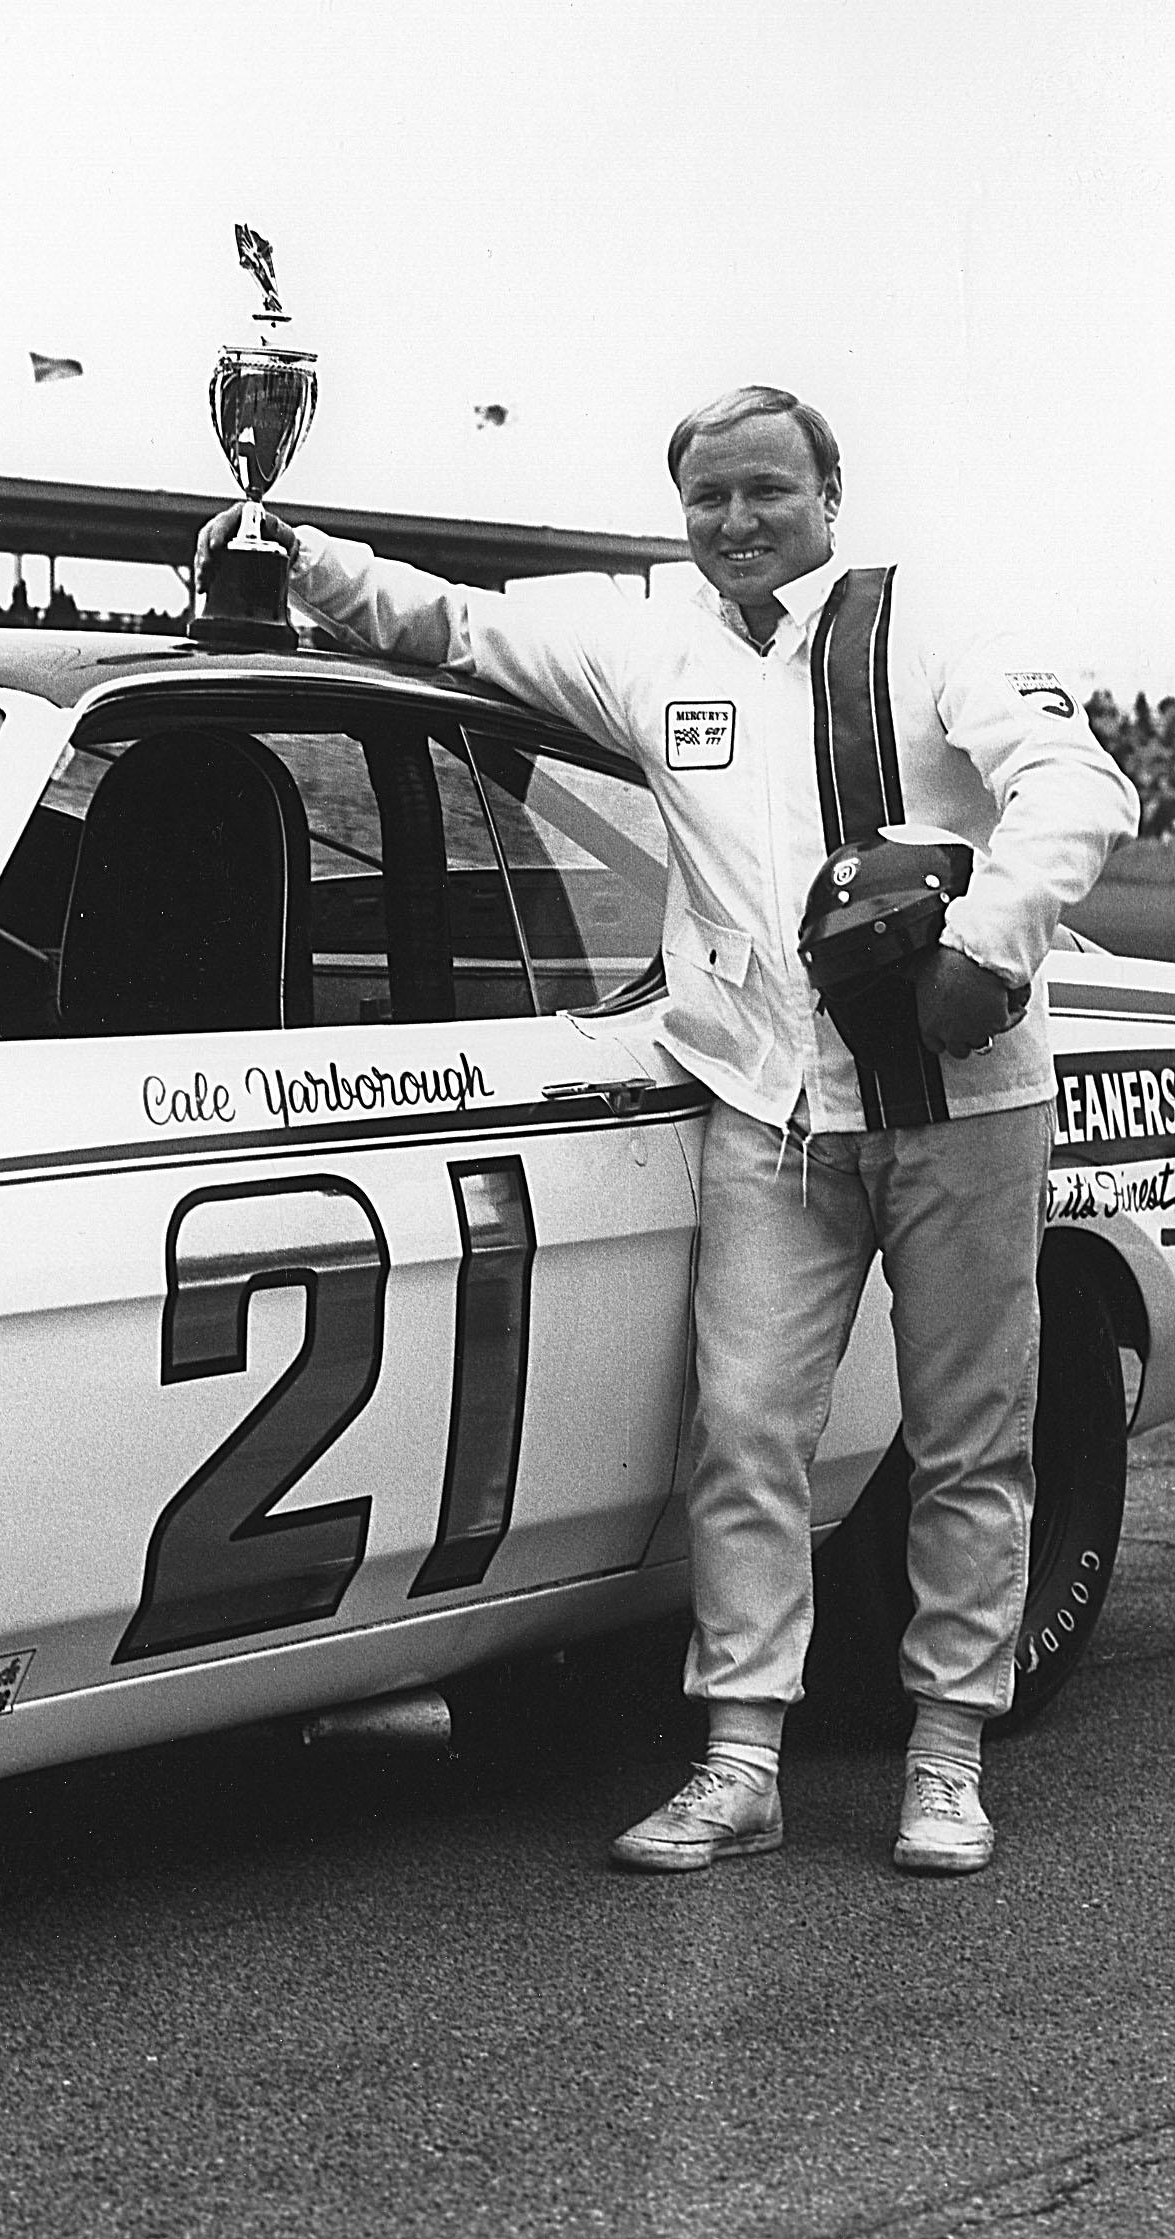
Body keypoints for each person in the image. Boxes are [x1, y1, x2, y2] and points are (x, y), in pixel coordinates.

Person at [218, 384, 1137, 1876]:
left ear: (830, 494)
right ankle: (740, 1760)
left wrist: (990, 944)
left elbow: (1075, 786)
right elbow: (457, 628)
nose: (736, 521)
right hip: (768, 1109)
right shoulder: (653, 647)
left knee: (971, 1438)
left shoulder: (925, 624)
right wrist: (295, 555)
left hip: (961, 1102)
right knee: (746, 1431)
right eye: (709, 496)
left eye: (767, 490)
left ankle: (948, 1755)